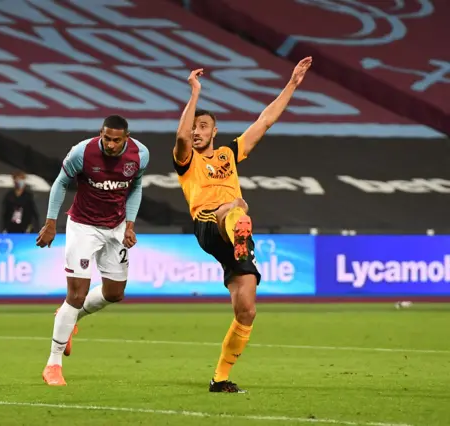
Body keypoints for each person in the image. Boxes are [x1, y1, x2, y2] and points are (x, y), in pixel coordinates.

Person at [173, 57, 313, 393]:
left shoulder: (228, 153)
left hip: (234, 232)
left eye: (203, 126)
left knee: (246, 309)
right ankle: (239, 226)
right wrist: (194, 94)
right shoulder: (187, 159)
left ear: (214, 131)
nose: (197, 131)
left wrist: (292, 83)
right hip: (209, 223)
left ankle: (219, 378)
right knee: (234, 207)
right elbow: (180, 136)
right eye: (195, 126)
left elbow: (265, 121)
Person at [36, 115, 150, 386]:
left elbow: (135, 187)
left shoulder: (140, 155)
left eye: (116, 140)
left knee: (114, 293)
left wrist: (130, 225)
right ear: (101, 133)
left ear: (126, 138)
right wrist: (51, 222)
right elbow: (60, 182)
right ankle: (53, 364)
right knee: (76, 294)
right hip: (83, 227)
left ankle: (71, 317)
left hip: (116, 227)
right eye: (106, 138)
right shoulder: (82, 152)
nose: (110, 144)